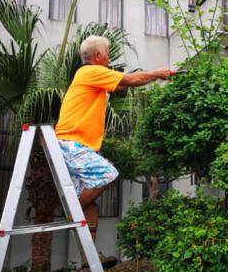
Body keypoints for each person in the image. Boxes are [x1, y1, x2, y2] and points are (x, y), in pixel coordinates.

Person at [55, 36, 175, 237]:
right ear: (98, 56)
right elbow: (131, 80)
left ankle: (89, 260)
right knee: (107, 175)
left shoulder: (90, 75)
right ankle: (71, 210)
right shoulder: (91, 71)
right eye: (108, 54)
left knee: (90, 206)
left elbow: (121, 85)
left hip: (73, 144)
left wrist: (142, 77)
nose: (109, 58)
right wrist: (156, 74)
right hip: (72, 143)